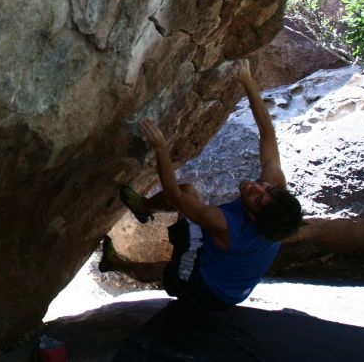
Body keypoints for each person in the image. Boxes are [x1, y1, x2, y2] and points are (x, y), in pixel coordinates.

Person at [100, 58, 303, 311]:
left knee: (171, 270)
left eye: (258, 198)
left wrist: (161, 147)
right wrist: (247, 82)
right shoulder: (273, 203)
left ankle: (115, 264)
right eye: (267, 189)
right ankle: (142, 207)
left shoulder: (227, 226)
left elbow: (174, 196)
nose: (258, 187)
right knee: (188, 194)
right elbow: (267, 134)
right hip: (232, 275)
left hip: (209, 289)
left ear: (253, 217)